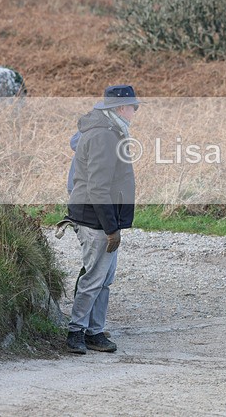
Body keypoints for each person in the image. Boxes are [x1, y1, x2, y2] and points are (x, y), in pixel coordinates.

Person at [64, 85, 140, 354]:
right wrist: (111, 228)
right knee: (94, 278)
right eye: (134, 106)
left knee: (104, 279)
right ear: (121, 108)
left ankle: (95, 331)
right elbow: (98, 186)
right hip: (94, 219)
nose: (135, 111)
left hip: (103, 218)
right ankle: (76, 332)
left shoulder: (112, 130)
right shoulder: (104, 136)